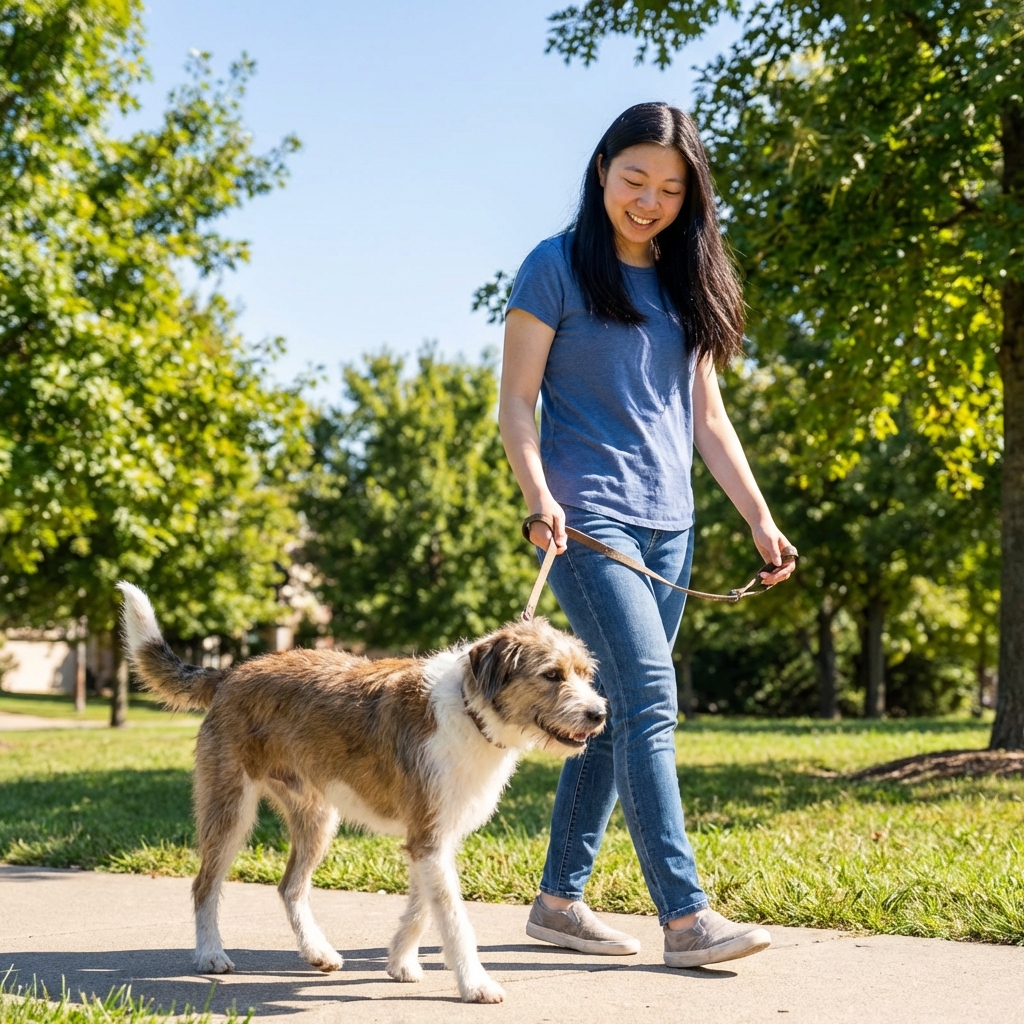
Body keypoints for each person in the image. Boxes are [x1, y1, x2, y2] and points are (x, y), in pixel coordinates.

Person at [498, 102, 796, 969]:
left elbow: (707, 415)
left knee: (619, 711)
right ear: (601, 171)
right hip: (588, 522)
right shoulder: (552, 267)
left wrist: (758, 516)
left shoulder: (683, 282)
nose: (650, 199)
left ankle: (558, 900)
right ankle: (687, 917)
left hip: (673, 527)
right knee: (653, 704)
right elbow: (518, 402)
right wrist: (539, 494)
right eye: (635, 179)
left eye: (671, 187)